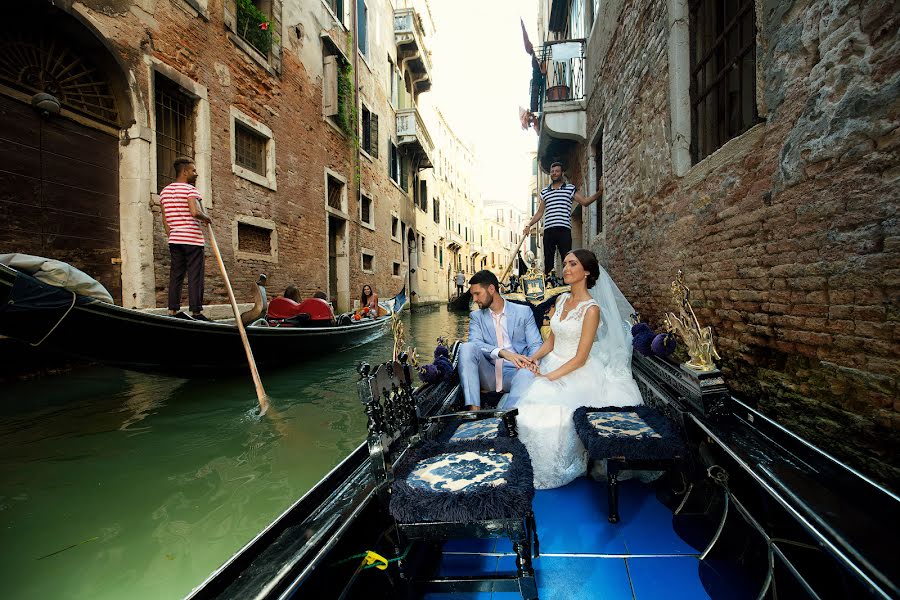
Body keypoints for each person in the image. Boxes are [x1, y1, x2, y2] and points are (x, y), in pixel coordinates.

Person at [501, 249, 643, 489]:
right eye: (565, 264)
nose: (565, 269)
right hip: (552, 362)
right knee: (524, 411)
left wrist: (548, 377)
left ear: (586, 271)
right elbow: (551, 341)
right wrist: (532, 359)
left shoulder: (592, 309)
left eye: (572, 264)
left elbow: (580, 358)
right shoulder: (561, 299)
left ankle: (555, 468)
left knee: (548, 415)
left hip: (577, 371)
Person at [459, 270, 542, 411]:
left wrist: (531, 362)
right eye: (472, 295)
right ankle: (474, 412)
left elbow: (535, 344)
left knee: (526, 373)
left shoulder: (523, 312)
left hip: (516, 373)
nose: (474, 299)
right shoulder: (476, 316)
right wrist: (503, 353)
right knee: (466, 347)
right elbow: (476, 343)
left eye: (477, 294)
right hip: (488, 375)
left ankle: (507, 415)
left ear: (491, 289)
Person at [522, 162, 604, 274]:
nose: (554, 173)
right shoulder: (544, 192)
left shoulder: (570, 189)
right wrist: (529, 225)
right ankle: (549, 287)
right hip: (549, 230)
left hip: (564, 229)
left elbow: (584, 202)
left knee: (567, 260)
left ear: (562, 173)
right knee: (548, 262)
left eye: (557, 171)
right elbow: (539, 213)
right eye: (552, 171)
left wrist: (599, 192)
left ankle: (568, 288)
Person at [159, 157, 212, 321]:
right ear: (184, 171)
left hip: (175, 239)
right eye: (193, 170)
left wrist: (173, 234)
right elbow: (194, 212)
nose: (195, 174)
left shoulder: (164, 192)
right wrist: (206, 218)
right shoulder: (191, 190)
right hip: (193, 240)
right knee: (195, 275)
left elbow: (165, 220)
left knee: (176, 275)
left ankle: (172, 311)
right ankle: (196, 312)